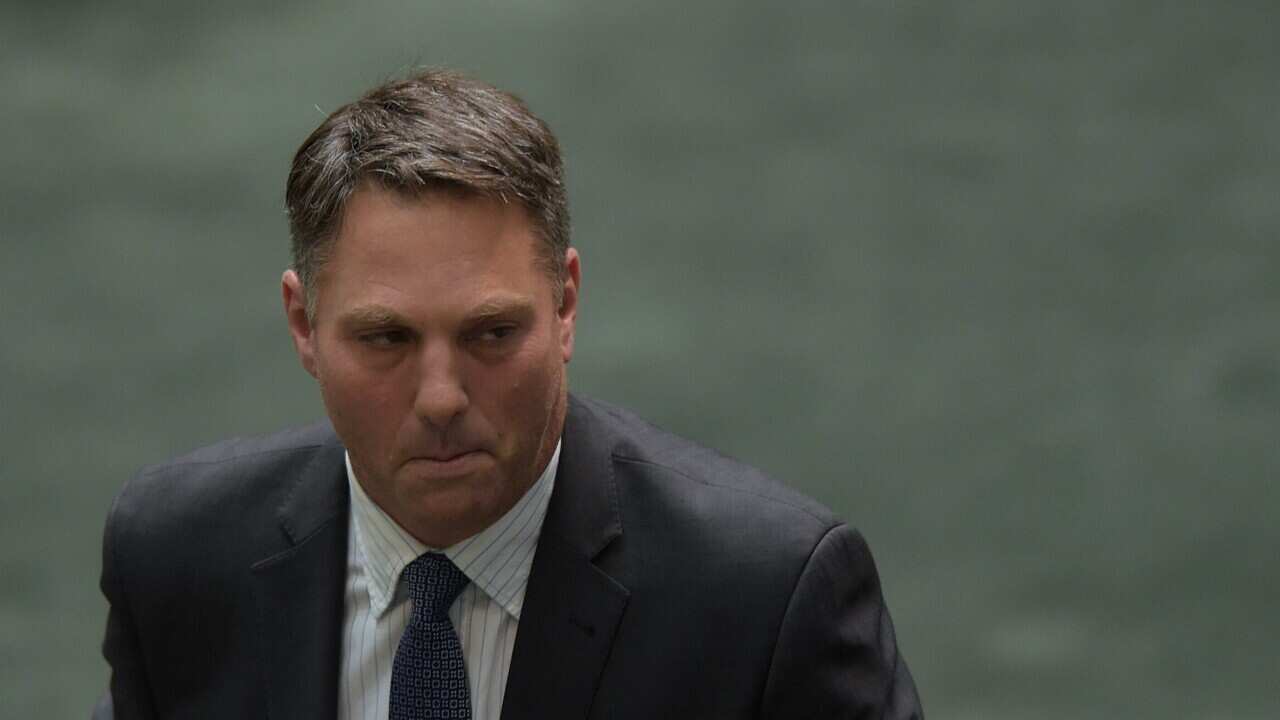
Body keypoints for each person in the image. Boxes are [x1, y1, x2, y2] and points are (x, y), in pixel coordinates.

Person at [98, 69, 923, 719]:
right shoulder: (178, 559)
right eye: (386, 339)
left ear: (565, 305)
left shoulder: (766, 601)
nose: (441, 398)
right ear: (303, 324)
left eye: (490, 334)